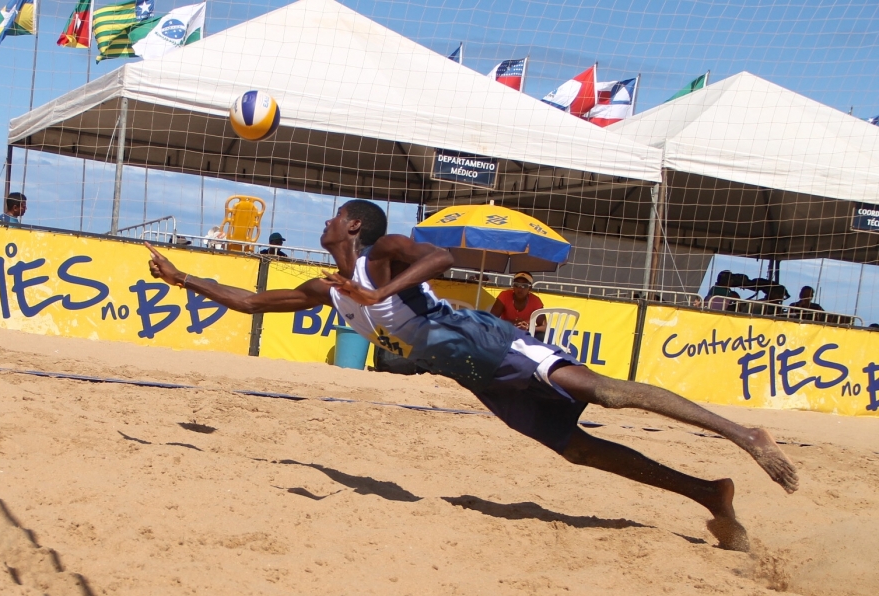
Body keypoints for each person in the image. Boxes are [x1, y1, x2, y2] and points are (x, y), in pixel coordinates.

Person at [144, 199, 798, 552]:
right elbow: (253, 301)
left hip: (489, 340)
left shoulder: (381, 253)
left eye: (332, 214)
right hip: (475, 378)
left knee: (606, 393)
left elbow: (443, 254)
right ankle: (709, 495)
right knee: (578, 450)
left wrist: (380, 294)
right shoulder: (330, 287)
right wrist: (183, 279)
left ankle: (747, 437)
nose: (323, 220)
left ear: (351, 226)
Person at [490, 272, 546, 338]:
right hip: (506, 332)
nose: (520, 289)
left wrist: (528, 328)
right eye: (516, 285)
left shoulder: (536, 301)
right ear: (513, 286)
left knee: (541, 336)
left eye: (524, 285)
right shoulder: (504, 295)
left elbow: (544, 327)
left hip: (526, 335)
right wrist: (510, 324)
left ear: (530, 288)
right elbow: (490, 319)